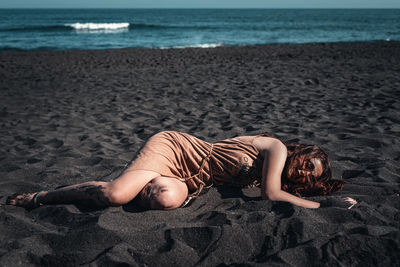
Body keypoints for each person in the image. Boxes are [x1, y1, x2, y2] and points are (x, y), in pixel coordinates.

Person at [7, 131, 352, 211]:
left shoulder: (276, 175)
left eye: (313, 175)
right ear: (301, 152)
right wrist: (327, 206)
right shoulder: (276, 147)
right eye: (310, 164)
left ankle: (142, 185)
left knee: (168, 199)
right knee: (116, 194)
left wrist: (313, 194)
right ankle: (42, 197)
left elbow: (277, 190)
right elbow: (271, 195)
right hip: (177, 150)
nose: (307, 172)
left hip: (191, 180)